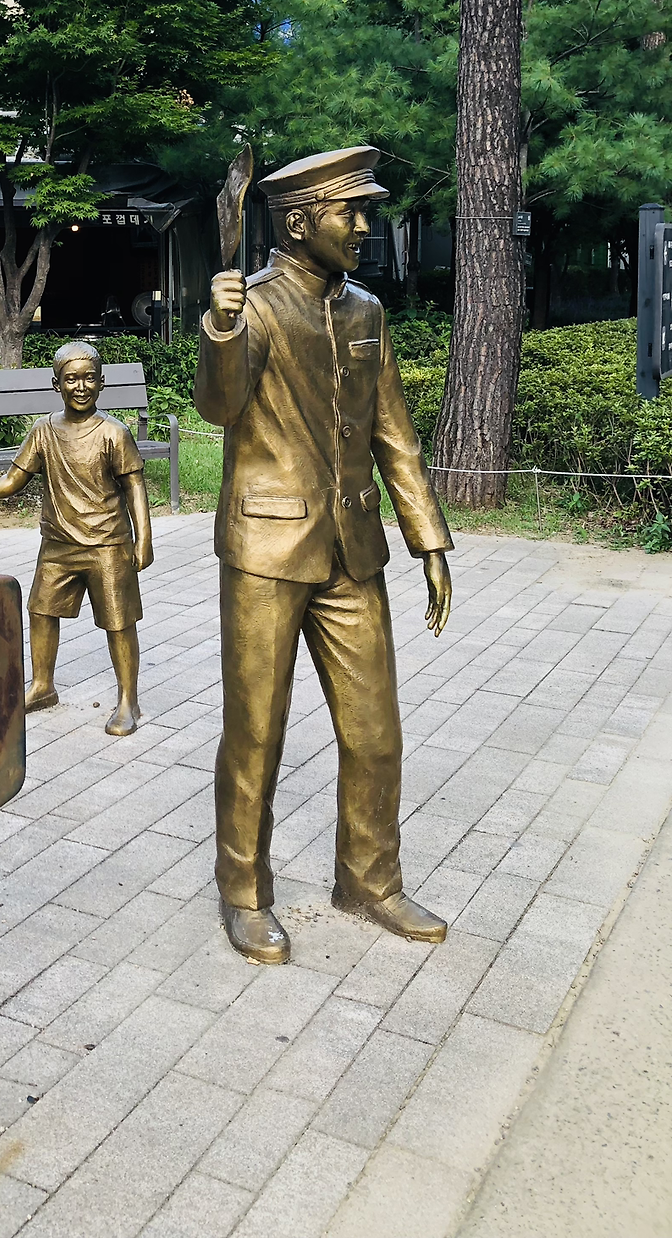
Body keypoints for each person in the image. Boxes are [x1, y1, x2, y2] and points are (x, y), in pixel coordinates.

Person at [195, 145, 453, 966]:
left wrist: (428, 538)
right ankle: (243, 891)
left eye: (366, 211)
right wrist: (222, 329)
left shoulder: (367, 311)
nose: (366, 226)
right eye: (353, 212)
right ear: (302, 222)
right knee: (256, 733)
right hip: (266, 549)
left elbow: (393, 434)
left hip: (353, 551)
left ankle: (369, 881)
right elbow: (219, 406)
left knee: (376, 731)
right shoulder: (255, 305)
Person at [0, 341, 153, 735]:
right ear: (56, 385)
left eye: (89, 379)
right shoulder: (44, 431)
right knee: (41, 611)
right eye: (71, 379)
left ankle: (128, 699)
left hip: (107, 544)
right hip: (58, 544)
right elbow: (12, 481)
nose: (80, 387)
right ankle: (42, 686)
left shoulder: (114, 432)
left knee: (119, 622)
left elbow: (134, 486)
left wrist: (143, 539)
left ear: (102, 383)